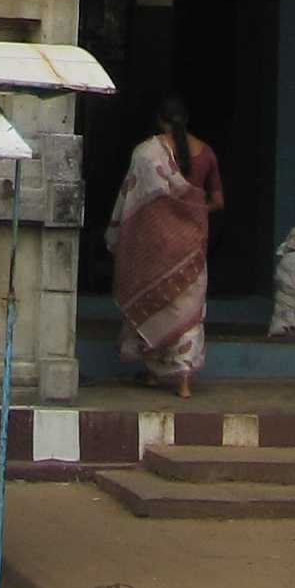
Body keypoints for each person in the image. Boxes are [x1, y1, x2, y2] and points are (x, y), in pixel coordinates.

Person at [105, 94, 223, 397]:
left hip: (155, 243)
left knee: (153, 303)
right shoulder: (207, 153)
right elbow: (218, 201)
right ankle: (183, 382)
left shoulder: (147, 153)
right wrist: (192, 210)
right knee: (187, 310)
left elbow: (134, 197)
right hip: (191, 245)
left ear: (160, 120)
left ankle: (153, 373)